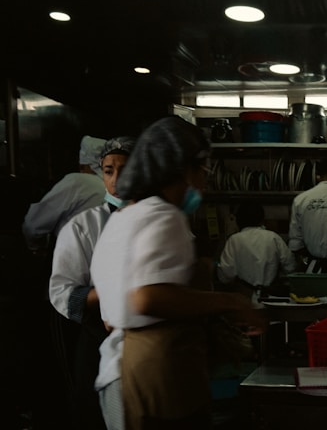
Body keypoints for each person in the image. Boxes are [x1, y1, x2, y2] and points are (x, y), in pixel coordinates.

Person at [90, 116, 267, 430]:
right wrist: (233, 303)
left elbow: (110, 313)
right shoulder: (163, 216)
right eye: (203, 170)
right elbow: (148, 298)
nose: (204, 182)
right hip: (157, 370)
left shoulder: (123, 217)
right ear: (184, 168)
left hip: (119, 368)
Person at [48, 136, 136, 430]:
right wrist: (108, 293)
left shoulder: (152, 219)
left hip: (143, 337)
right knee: (94, 416)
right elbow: (62, 290)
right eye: (108, 170)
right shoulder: (84, 225)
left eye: (124, 169)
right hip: (97, 335)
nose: (115, 179)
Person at [22, 135, 107, 253]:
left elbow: (35, 224)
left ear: (84, 165)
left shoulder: (79, 181)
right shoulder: (116, 188)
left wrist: (35, 247)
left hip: (71, 257)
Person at [216, 201, 297, 308]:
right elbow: (291, 267)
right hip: (271, 301)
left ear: (238, 220)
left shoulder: (234, 240)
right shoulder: (273, 237)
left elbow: (226, 274)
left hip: (244, 302)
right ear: (262, 219)